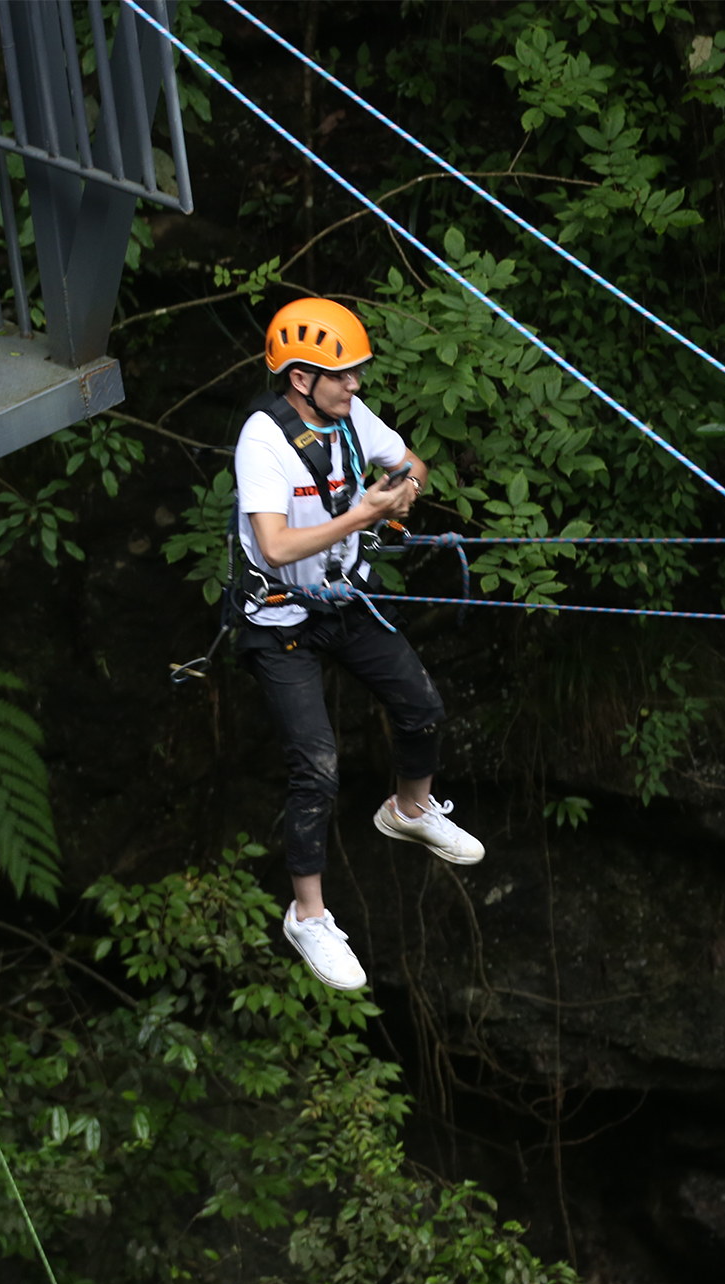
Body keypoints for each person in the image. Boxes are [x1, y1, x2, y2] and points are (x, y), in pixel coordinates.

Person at [233, 297, 484, 992]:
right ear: (301, 378)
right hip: (279, 619)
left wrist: (400, 491)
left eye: (356, 374)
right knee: (316, 767)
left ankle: (408, 809)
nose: (356, 386)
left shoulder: (347, 418)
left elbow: (414, 464)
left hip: (344, 601)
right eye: (343, 376)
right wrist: (363, 512)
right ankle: (307, 916)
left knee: (422, 707)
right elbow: (277, 544)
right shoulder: (263, 440)